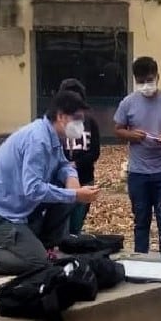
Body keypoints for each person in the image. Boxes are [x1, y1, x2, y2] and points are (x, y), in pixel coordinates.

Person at [0, 90, 100, 275]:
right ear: (61, 117)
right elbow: (33, 189)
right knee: (37, 263)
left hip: (19, 209)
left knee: (67, 197)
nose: (80, 125)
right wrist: (75, 194)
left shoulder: (53, 135)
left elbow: (64, 163)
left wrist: (73, 181)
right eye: (77, 119)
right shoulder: (38, 140)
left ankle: (40, 245)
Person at [114, 57, 161, 254]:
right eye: (141, 81)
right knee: (141, 220)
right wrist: (130, 135)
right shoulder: (128, 103)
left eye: (149, 80)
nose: (146, 85)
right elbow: (118, 129)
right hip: (138, 172)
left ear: (158, 77)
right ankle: (140, 258)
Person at [58, 78, 102, 235]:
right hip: (60, 182)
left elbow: (95, 152)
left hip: (84, 178)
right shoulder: (57, 122)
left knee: (76, 226)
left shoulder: (90, 122)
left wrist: (76, 164)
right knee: (60, 224)